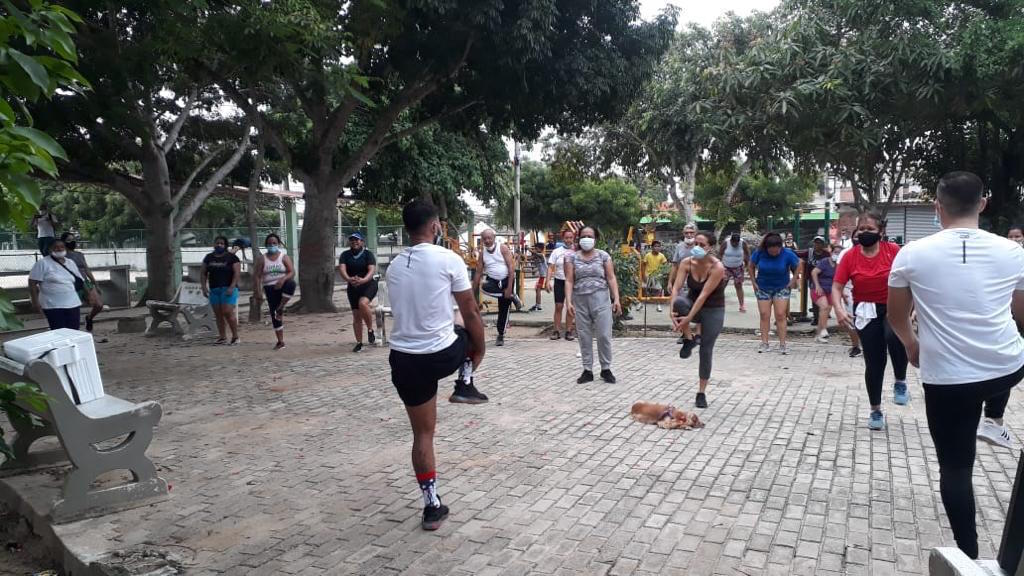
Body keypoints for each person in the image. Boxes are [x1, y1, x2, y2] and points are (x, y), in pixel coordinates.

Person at [887, 171, 1024, 559]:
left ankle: (969, 553)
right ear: (983, 203)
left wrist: (912, 346)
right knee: (1005, 370)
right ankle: (994, 419)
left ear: (937, 206)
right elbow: (1022, 316)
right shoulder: (1014, 252)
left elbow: (896, 315)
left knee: (956, 469)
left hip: (948, 378)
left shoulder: (912, 253)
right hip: (1006, 365)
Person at [386, 199, 487, 530]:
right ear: (434, 227)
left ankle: (431, 505)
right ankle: (464, 383)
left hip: (404, 360)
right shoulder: (449, 259)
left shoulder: (394, 266)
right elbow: (470, 310)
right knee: (468, 325)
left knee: (423, 435)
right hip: (441, 355)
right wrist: (480, 349)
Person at [832, 212, 908, 430]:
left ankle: (900, 381)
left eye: (870, 230)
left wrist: (912, 308)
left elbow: (910, 280)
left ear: (881, 231)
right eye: (861, 230)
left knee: (894, 335)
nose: (865, 233)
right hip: (865, 309)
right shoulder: (850, 256)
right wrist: (838, 309)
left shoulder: (893, 251)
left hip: (893, 305)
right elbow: (837, 287)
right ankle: (875, 410)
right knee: (874, 363)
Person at [670, 232, 726, 408]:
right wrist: (671, 311)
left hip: (713, 308)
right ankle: (688, 339)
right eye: (696, 243)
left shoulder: (717, 267)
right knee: (679, 301)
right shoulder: (687, 262)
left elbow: (703, 296)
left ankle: (701, 392)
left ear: (710, 247)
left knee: (706, 350)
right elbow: (676, 288)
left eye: (702, 245)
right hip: (691, 302)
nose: (697, 247)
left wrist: (687, 320)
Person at [565, 226, 622, 384]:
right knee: (584, 336)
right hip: (580, 300)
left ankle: (606, 368)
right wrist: (568, 301)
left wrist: (616, 298)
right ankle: (587, 370)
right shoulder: (571, 258)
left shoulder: (603, 256)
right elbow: (569, 280)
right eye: (584, 236)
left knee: (604, 335)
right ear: (579, 238)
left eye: (590, 236)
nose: (587, 238)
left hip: (601, 299)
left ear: (595, 238)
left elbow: (611, 278)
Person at [749, 232, 801, 354]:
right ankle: (764, 343)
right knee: (764, 314)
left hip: (781, 287)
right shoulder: (759, 253)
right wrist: (753, 282)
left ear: (780, 247)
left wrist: (793, 280)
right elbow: (750, 265)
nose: (774, 253)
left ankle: (782, 344)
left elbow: (800, 264)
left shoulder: (787, 253)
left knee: (780, 315)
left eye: (776, 250)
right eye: (771, 250)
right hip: (763, 287)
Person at [28, 238, 83, 330]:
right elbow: (32, 283)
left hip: (73, 303)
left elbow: (79, 279)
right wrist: (35, 302)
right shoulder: (43, 263)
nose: (59, 249)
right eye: (56, 247)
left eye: (62, 247)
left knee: (74, 330)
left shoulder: (70, 262)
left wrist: (90, 295)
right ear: (50, 249)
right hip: (53, 305)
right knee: (58, 330)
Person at [473, 229, 516, 346]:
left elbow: (511, 268)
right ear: (482, 240)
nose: (487, 240)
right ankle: (511, 297)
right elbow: (478, 273)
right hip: (493, 281)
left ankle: (500, 334)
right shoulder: (482, 253)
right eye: (484, 239)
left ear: (494, 238)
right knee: (483, 287)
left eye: (489, 238)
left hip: (506, 279)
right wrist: (472, 292)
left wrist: (509, 287)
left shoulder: (503, 248)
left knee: (504, 308)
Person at [253, 233, 296, 350]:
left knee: (292, 284)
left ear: (278, 244)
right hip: (269, 287)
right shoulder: (262, 258)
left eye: (274, 243)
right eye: (269, 243)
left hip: (283, 285)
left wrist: (282, 279)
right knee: (274, 314)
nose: (272, 245)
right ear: (266, 245)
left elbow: (292, 272)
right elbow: (257, 276)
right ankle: (280, 341)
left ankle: (281, 306)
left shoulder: (284, 257)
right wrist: (258, 291)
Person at [338, 233, 378, 352]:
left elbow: (371, 270)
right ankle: (359, 342)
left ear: (362, 242)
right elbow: (342, 269)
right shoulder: (345, 255)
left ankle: (370, 329)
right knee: (356, 315)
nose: (354, 242)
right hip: (353, 286)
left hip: (368, 284)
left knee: (363, 303)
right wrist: (348, 279)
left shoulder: (368, 254)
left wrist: (364, 280)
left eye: (357, 240)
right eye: (352, 240)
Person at [201, 236, 241, 345]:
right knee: (218, 314)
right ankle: (222, 337)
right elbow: (203, 273)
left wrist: (232, 287)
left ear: (225, 245)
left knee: (227, 311)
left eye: (222, 243)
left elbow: (237, 273)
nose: (219, 245)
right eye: (217, 243)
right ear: (214, 244)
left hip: (228, 289)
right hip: (214, 289)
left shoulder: (231, 258)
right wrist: (204, 287)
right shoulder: (208, 257)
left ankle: (235, 336)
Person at [60, 232, 103, 332]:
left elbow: (86, 269)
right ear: (64, 242)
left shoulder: (79, 254)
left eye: (74, 239)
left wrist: (95, 283)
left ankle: (89, 318)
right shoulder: (62, 256)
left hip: (85, 282)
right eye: (69, 240)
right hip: (72, 284)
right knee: (73, 309)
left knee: (99, 305)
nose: (73, 242)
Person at [547, 229, 576, 341]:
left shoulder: (576, 251)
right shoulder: (556, 251)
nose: (568, 240)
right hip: (559, 281)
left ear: (574, 239)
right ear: (563, 239)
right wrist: (547, 281)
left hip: (572, 282)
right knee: (558, 306)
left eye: (571, 237)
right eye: (566, 238)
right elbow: (550, 267)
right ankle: (556, 330)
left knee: (570, 307)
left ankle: (569, 331)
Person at [836, 237, 863, 357]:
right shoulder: (845, 253)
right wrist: (841, 292)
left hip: (869, 291)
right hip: (849, 290)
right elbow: (838, 274)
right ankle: (856, 346)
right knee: (851, 320)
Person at [810, 242, 838, 343]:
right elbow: (814, 272)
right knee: (824, 306)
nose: (837, 254)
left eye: (839, 253)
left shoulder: (839, 264)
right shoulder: (824, 261)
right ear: (831, 251)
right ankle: (824, 329)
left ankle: (818, 335)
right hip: (819, 289)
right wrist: (817, 285)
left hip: (831, 290)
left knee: (826, 312)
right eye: (836, 252)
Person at [720, 232, 750, 313]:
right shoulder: (726, 242)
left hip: (738, 266)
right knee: (723, 284)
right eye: (733, 243)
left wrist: (747, 264)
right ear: (731, 241)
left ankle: (742, 305)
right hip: (726, 266)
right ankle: (719, 303)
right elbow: (720, 253)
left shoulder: (742, 243)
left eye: (736, 243)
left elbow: (747, 253)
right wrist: (718, 264)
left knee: (738, 285)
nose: (735, 245)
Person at [643, 241, 668, 312]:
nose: (657, 248)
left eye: (659, 246)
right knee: (644, 289)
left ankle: (658, 305)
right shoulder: (647, 255)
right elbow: (643, 265)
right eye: (656, 246)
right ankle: (642, 303)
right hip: (648, 275)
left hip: (657, 276)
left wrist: (662, 274)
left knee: (658, 290)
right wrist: (643, 275)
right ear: (652, 247)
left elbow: (665, 265)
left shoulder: (662, 256)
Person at [529, 242, 547, 312]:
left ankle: (538, 305)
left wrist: (528, 249)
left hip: (544, 275)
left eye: (536, 249)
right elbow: (529, 258)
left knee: (538, 289)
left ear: (540, 249)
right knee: (537, 289)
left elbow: (536, 254)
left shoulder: (541, 255)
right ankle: (537, 304)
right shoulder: (536, 256)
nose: (535, 250)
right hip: (541, 275)